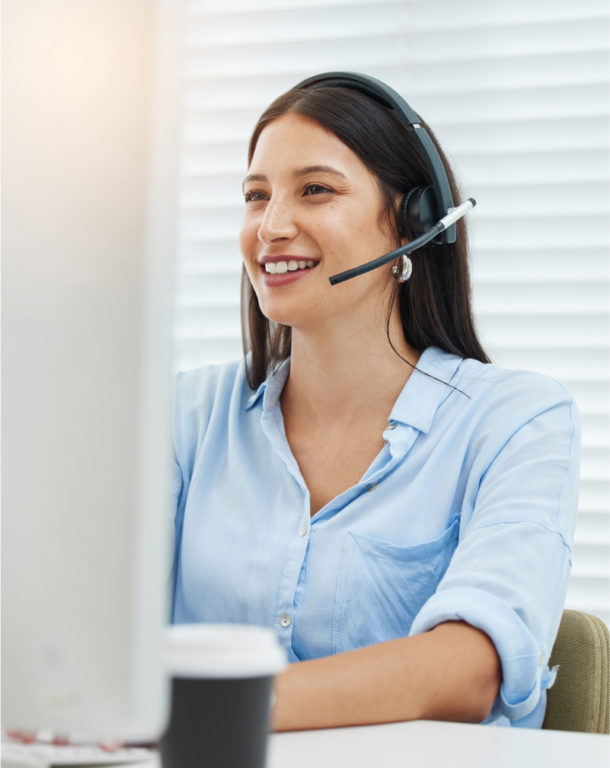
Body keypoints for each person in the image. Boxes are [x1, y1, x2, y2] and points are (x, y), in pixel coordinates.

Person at [170, 73, 580, 731]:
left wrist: (206, 709)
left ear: (411, 222)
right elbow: (98, 625)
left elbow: (470, 668)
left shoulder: (516, 421)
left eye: (316, 190)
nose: (271, 226)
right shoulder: (187, 414)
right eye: (255, 196)